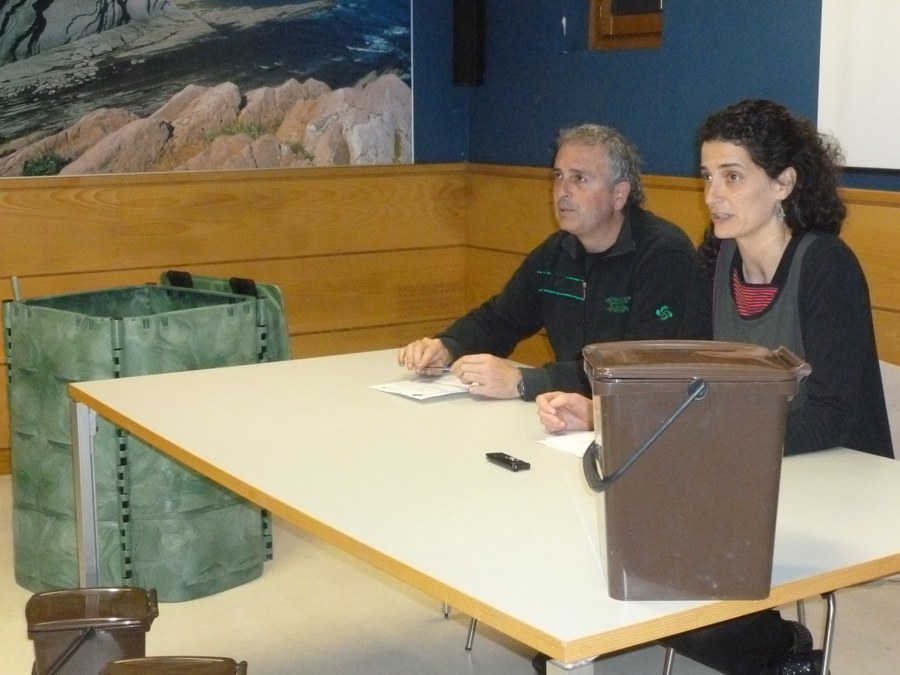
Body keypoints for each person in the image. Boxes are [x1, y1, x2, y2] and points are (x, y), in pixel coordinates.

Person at [536, 99, 894, 675]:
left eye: (732, 177)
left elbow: (832, 415)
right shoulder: (716, 261)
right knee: (628, 559)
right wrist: (608, 415)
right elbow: (688, 387)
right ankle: (762, 646)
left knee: (673, 578)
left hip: (836, 476)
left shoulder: (826, 265)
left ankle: (779, 650)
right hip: (744, 469)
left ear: (783, 184)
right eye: (707, 177)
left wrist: (718, 444)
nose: (712, 196)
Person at [397, 123, 703, 401]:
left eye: (579, 178)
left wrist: (525, 381)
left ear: (619, 194)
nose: (562, 191)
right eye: (558, 176)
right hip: (569, 416)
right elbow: (501, 320)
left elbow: (639, 366)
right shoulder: (557, 252)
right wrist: (448, 346)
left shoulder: (663, 255)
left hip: (645, 419)